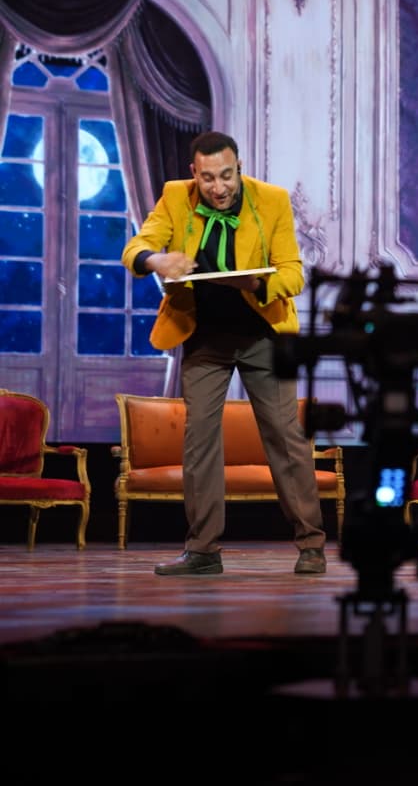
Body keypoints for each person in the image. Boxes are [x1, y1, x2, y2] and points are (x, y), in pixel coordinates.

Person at [121, 130, 327, 576]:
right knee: (199, 441)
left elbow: (294, 273)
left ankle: (311, 544)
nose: (219, 187)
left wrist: (259, 283)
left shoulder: (270, 200)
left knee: (284, 436)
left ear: (239, 169)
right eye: (209, 177)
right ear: (194, 174)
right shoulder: (176, 196)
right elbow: (135, 248)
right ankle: (203, 551)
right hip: (205, 337)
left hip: (262, 334)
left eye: (227, 176)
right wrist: (157, 261)